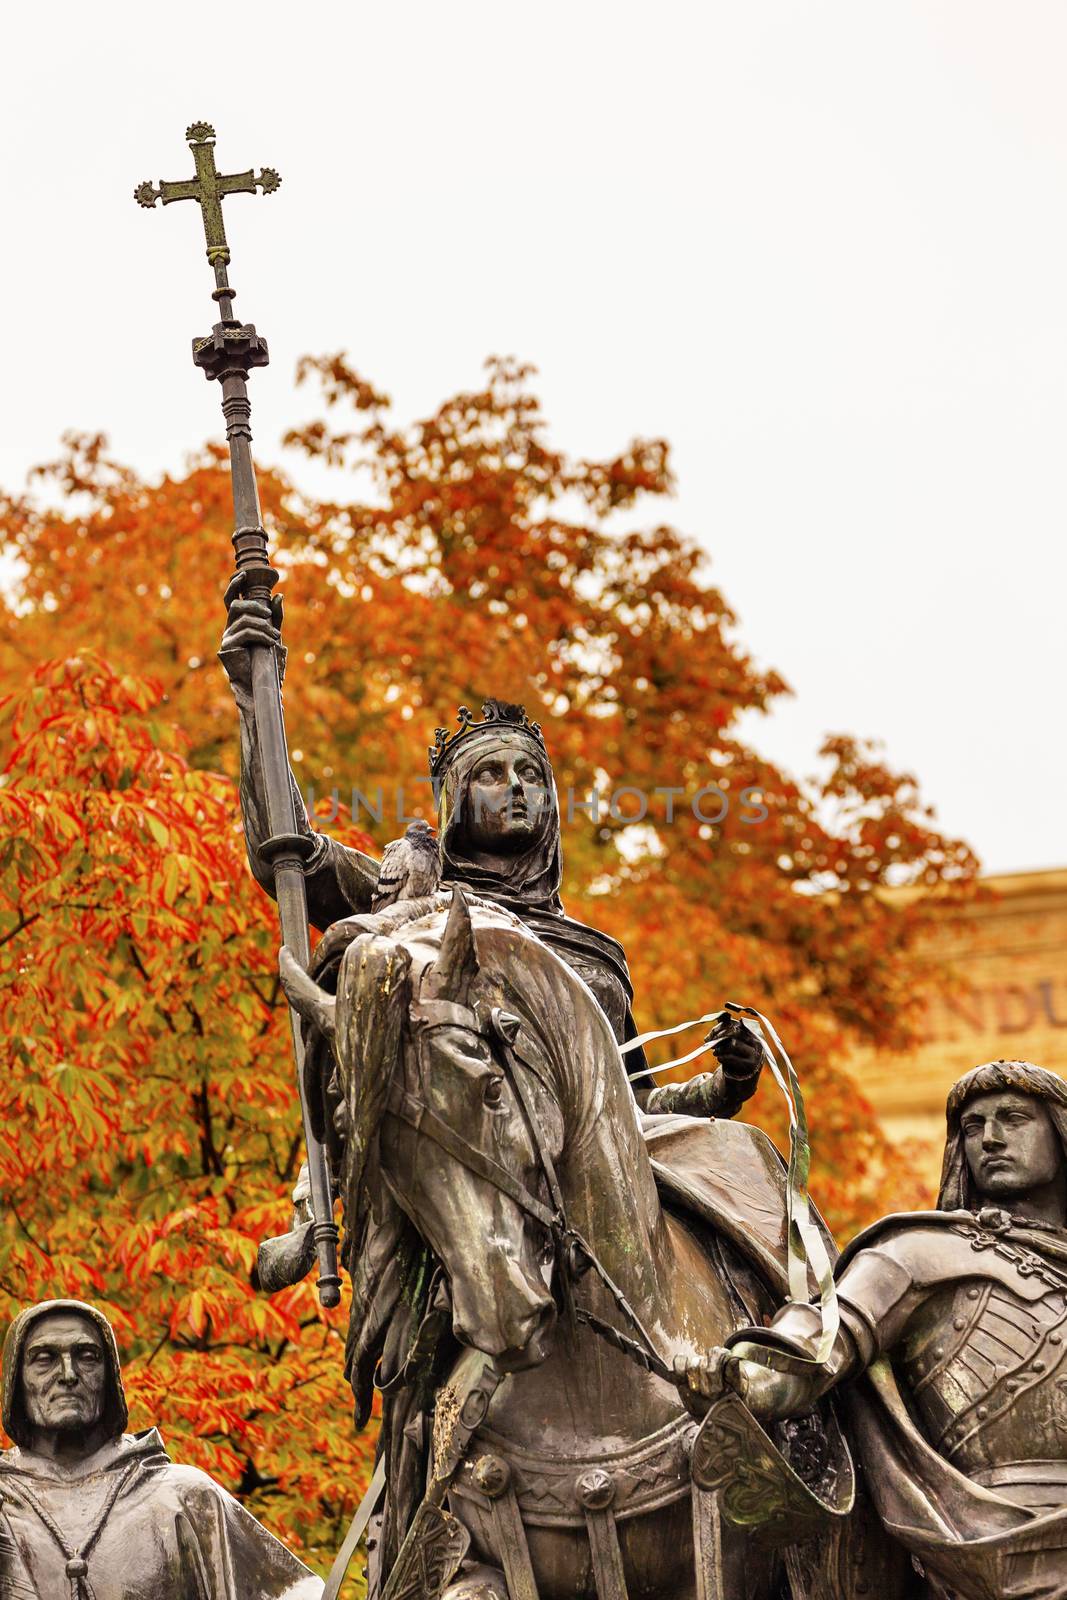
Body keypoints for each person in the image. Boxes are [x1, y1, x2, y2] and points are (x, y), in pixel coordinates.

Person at [219, 574, 763, 1116]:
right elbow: (286, 850)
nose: (518, 786)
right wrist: (257, 700)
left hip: (583, 1174)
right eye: (492, 774)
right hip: (452, 1156)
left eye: (531, 773)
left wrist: (725, 1085)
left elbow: (632, 1109)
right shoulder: (418, 901)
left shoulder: (597, 954)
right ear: (458, 800)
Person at [701, 1060, 1067, 1600]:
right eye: (971, 1127)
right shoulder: (920, 1250)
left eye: (1014, 1118)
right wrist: (758, 1374)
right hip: (989, 1549)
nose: (990, 1139)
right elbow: (823, 1332)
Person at [0, 1299, 322, 1600]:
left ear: (110, 1378)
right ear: (16, 1382)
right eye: (44, 1359)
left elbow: (299, 1593)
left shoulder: (185, 1496)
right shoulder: (5, 1502)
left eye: (87, 1357)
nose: (69, 1375)